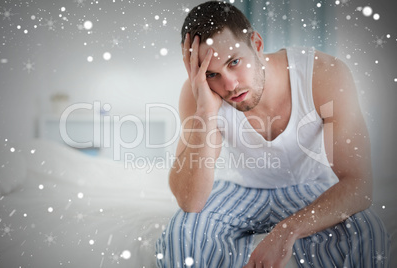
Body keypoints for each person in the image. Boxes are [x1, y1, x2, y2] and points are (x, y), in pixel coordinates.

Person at [156, 1, 390, 267]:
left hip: (308, 187)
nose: (229, 85)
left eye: (234, 62)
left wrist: (286, 231)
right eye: (212, 73)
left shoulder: (324, 74)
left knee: (367, 232)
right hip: (237, 190)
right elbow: (191, 201)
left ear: (256, 43)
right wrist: (206, 112)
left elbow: (359, 184)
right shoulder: (198, 93)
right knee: (181, 235)